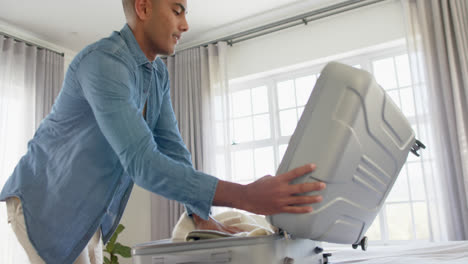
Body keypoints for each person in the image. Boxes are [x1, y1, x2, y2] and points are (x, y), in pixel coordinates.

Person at [0, 0, 326, 263]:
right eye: (177, 10)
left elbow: (172, 149)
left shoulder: (157, 75)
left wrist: (200, 215)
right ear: (144, 8)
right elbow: (142, 162)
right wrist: (246, 196)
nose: (185, 24)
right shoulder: (103, 63)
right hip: (45, 201)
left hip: (88, 212)